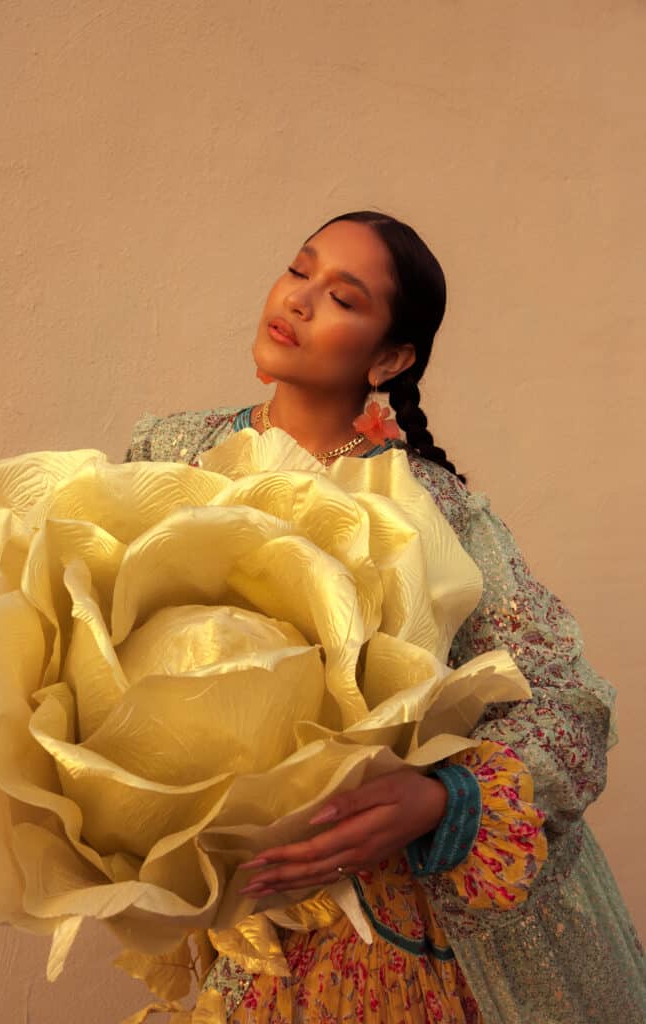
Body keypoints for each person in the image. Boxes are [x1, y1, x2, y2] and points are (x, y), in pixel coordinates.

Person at [125, 211, 646, 1023]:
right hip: (244, 898)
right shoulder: (166, 456)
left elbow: (564, 701)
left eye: (340, 297)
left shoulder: (423, 505)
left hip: (379, 930)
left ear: (390, 358)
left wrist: (441, 801)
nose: (297, 302)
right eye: (299, 271)